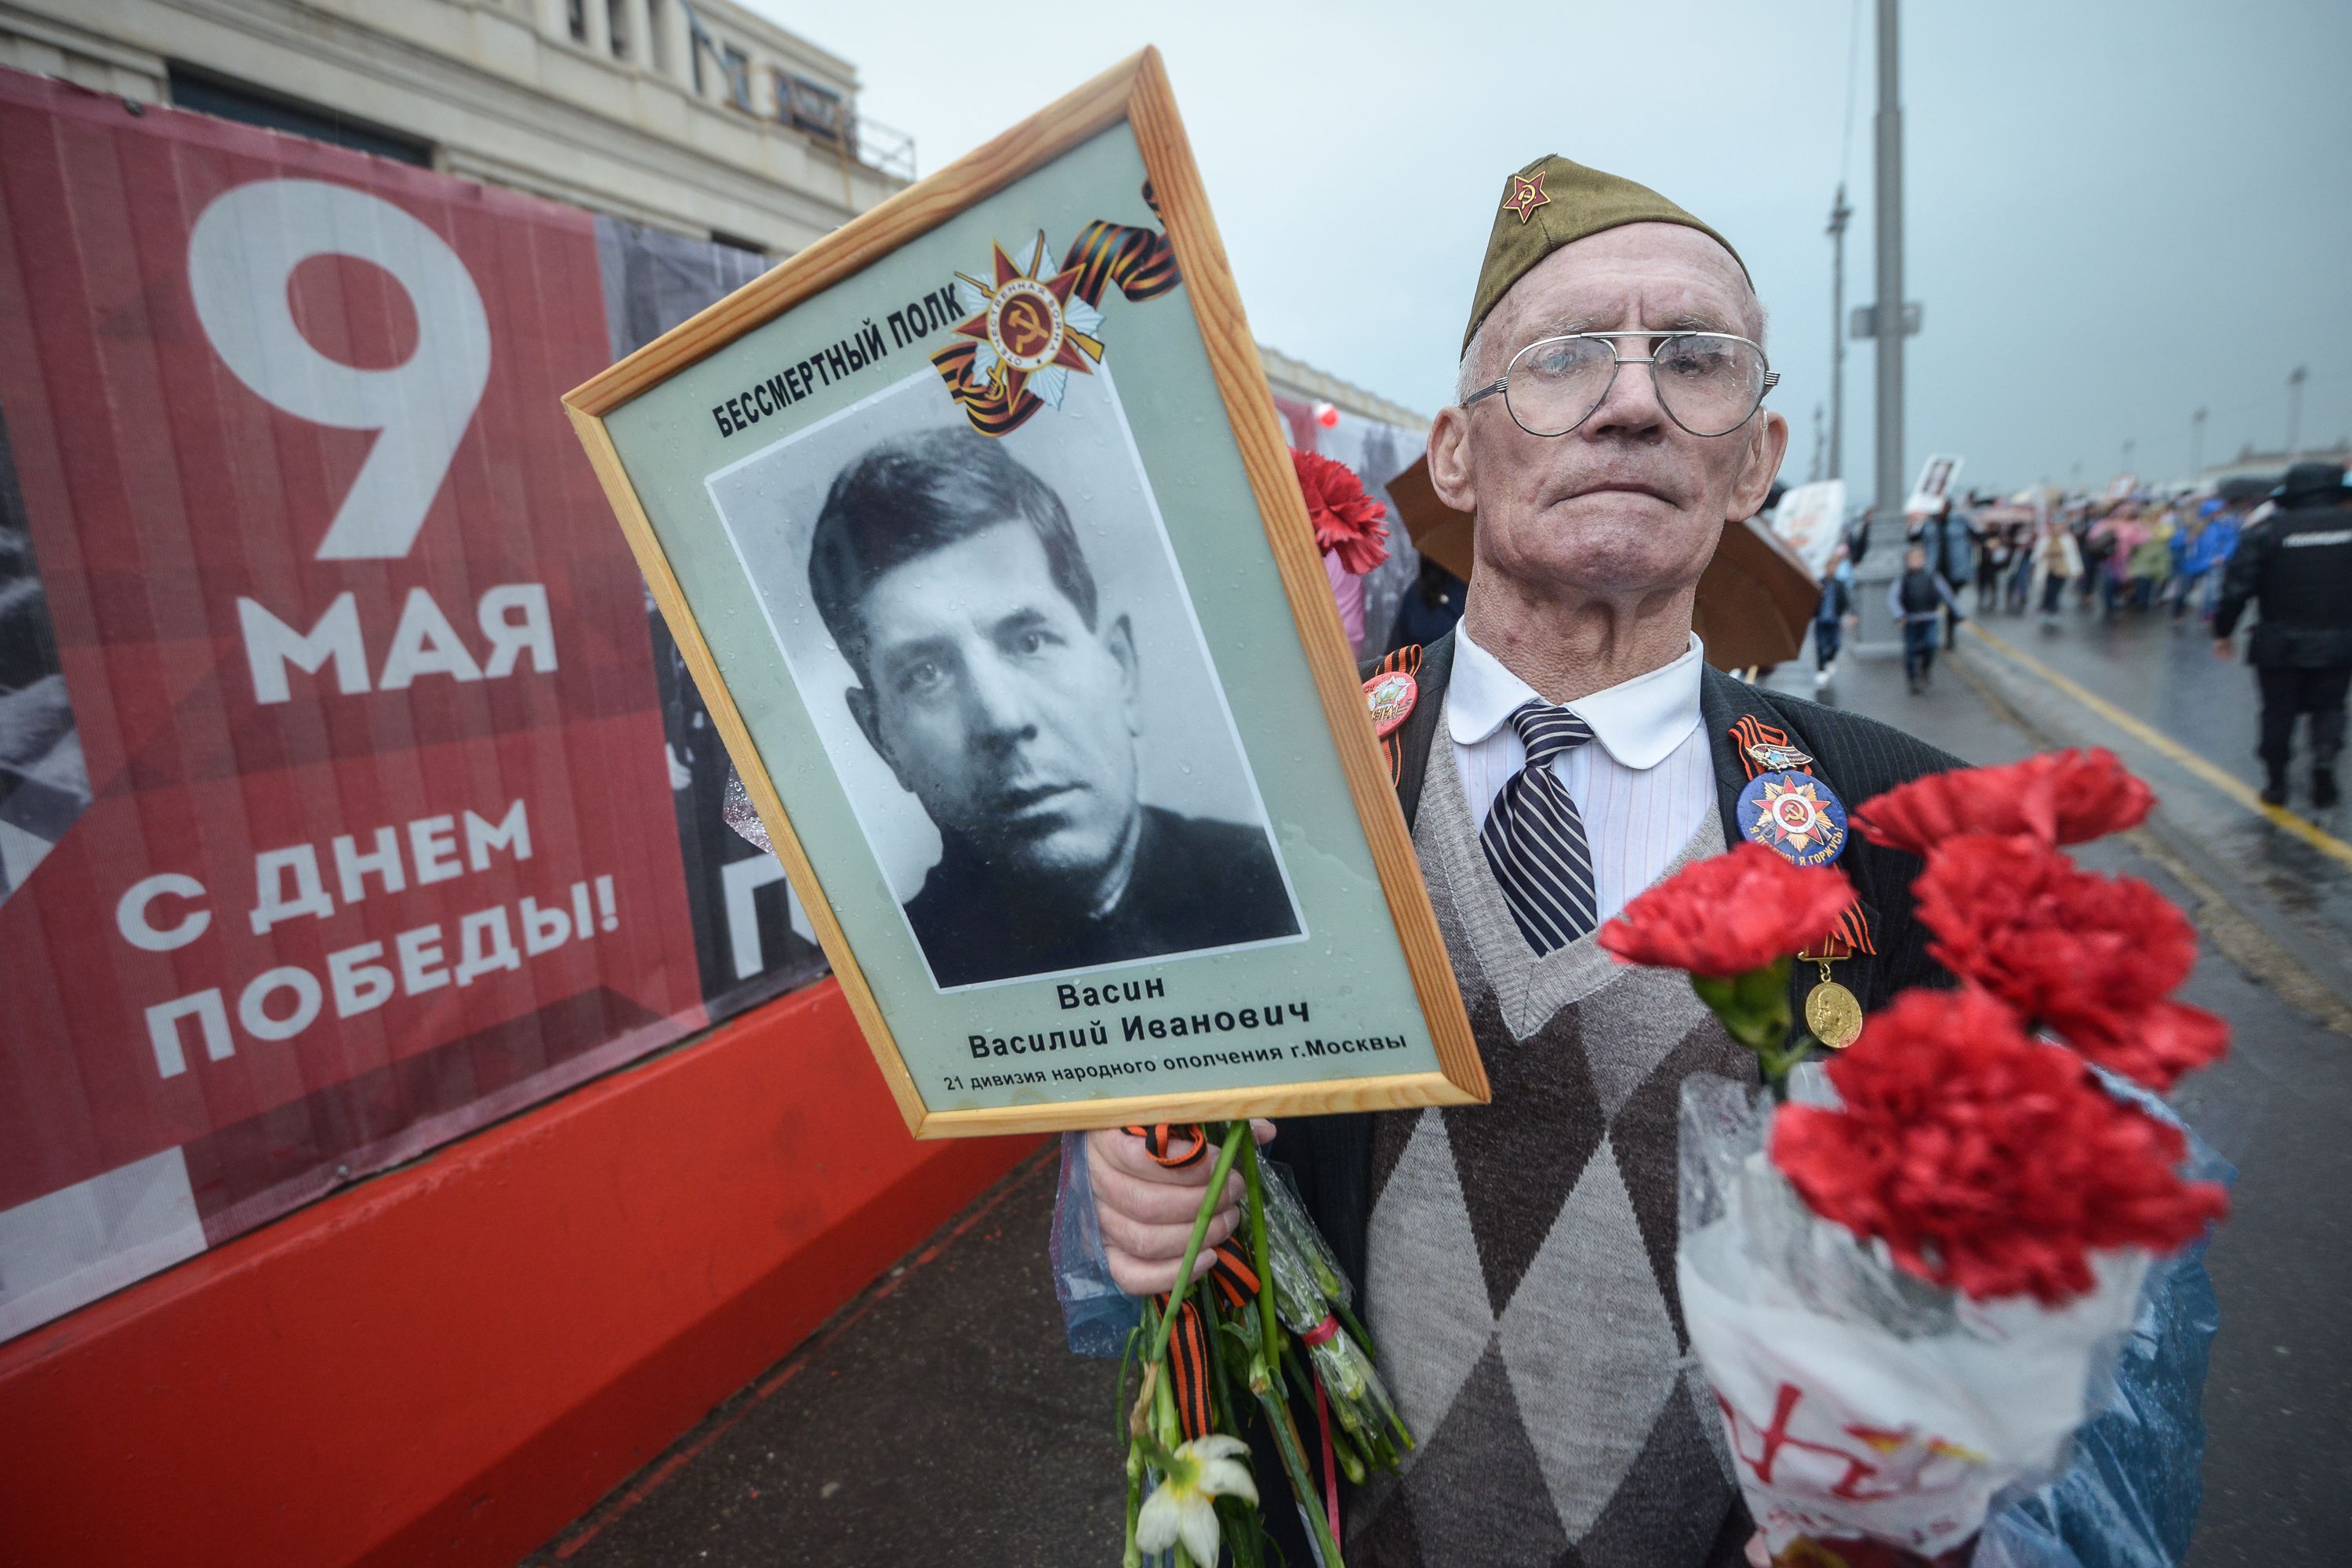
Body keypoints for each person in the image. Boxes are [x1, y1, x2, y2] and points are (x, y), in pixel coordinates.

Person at [1064, 154, 2067, 1567]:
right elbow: (1160, 1154)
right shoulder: (1277, 806)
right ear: (1457, 455)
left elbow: (2018, 1334)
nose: (1636, 398)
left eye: (1700, 360)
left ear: (1757, 457)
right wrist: (1143, 1178)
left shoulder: (1918, 831)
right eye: (1565, 358)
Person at [808, 429, 1298, 987]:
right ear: (882, 739)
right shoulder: (892, 987)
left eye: (1030, 641)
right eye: (926, 675)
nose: (1001, 719)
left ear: (1121, 668)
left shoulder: (1289, 888)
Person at [2212, 460, 2352, 808]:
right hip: (2339, 641)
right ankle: (2323, 759)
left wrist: (2223, 631)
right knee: (2330, 707)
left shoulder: (2267, 532)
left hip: (2279, 642)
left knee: (2278, 712)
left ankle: (2276, 783)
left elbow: (2236, 589)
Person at [1889, 542, 1965, 692]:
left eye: (1918, 558)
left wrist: (1956, 612)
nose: (1916, 561)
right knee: (1910, 651)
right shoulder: (1903, 579)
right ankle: (1913, 679)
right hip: (1910, 619)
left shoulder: (1931, 576)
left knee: (1931, 645)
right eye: (1912, 559)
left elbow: (1946, 594)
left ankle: (1924, 670)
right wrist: (1899, 614)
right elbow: (1893, 598)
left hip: (1929, 618)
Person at [1812, 540, 1857, 688]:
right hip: (1821, 619)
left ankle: (1830, 659)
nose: (1832, 569)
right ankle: (1821, 669)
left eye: (1834, 566)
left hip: (1835, 618)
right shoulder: (1820, 583)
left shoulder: (1839, 584)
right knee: (1820, 645)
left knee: (1836, 644)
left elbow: (1846, 600)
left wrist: (1849, 614)